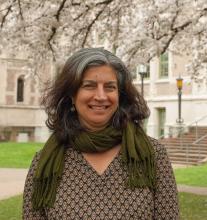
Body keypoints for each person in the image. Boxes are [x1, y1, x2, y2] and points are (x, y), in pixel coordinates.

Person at [23, 48, 179, 219]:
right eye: (89, 86)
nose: (101, 96)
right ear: (72, 95)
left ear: (120, 95)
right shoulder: (44, 163)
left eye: (110, 87)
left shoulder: (153, 155)